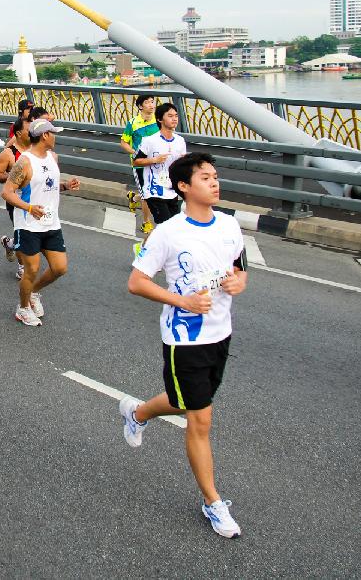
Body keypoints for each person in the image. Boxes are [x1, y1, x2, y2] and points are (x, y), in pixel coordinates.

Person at [120, 152, 248, 539]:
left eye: (215, 176)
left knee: (182, 400)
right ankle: (212, 502)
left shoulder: (229, 225)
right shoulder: (167, 233)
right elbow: (137, 282)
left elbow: (239, 268)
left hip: (220, 333)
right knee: (200, 417)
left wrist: (240, 282)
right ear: (183, 187)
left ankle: (138, 413)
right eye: (205, 177)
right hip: (184, 339)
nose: (214, 182)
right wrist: (185, 302)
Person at [1, 120, 81, 326]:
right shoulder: (24, 162)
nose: (55, 136)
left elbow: (48, 187)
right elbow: (7, 192)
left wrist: (65, 186)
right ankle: (23, 308)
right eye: (53, 133)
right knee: (32, 270)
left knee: (60, 268)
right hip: (28, 225)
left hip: (51, 223)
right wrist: (29, 207)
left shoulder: (53, 157)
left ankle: (34, 292)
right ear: (45, 135)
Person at [133, 102, 187, 253]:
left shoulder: (180, 141)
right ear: (160, 119)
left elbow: (180, 166)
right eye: (170, 116)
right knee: (166, 226)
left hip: (172, 190)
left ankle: (143, 247)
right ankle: (153, 255)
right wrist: (154, 160)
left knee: (171, 227)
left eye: (176, 115)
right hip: (154, 190)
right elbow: (136, 161)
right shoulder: (150, 141)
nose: (174, 119)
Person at [0, 116, 32, 279]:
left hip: (35, 199)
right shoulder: (9, 153)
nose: (32, 132)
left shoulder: (37, 150)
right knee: (23, 233)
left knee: (32, 233)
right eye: (28, 130)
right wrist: (13, 178)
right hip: (16, 201)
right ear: (18, 133)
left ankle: (10, 243)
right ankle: (22, 266)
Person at [121, 93, 160, 234]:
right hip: (140, 164)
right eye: (148, 102)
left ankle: (134, 197)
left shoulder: (158, 120)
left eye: (152, 102)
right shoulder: (133, 123)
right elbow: (123, 142)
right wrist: (134, 152)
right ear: (140, 106)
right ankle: (146, 223)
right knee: (147, 194)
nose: (151, 105)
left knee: (151, 192)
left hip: (156, 162)